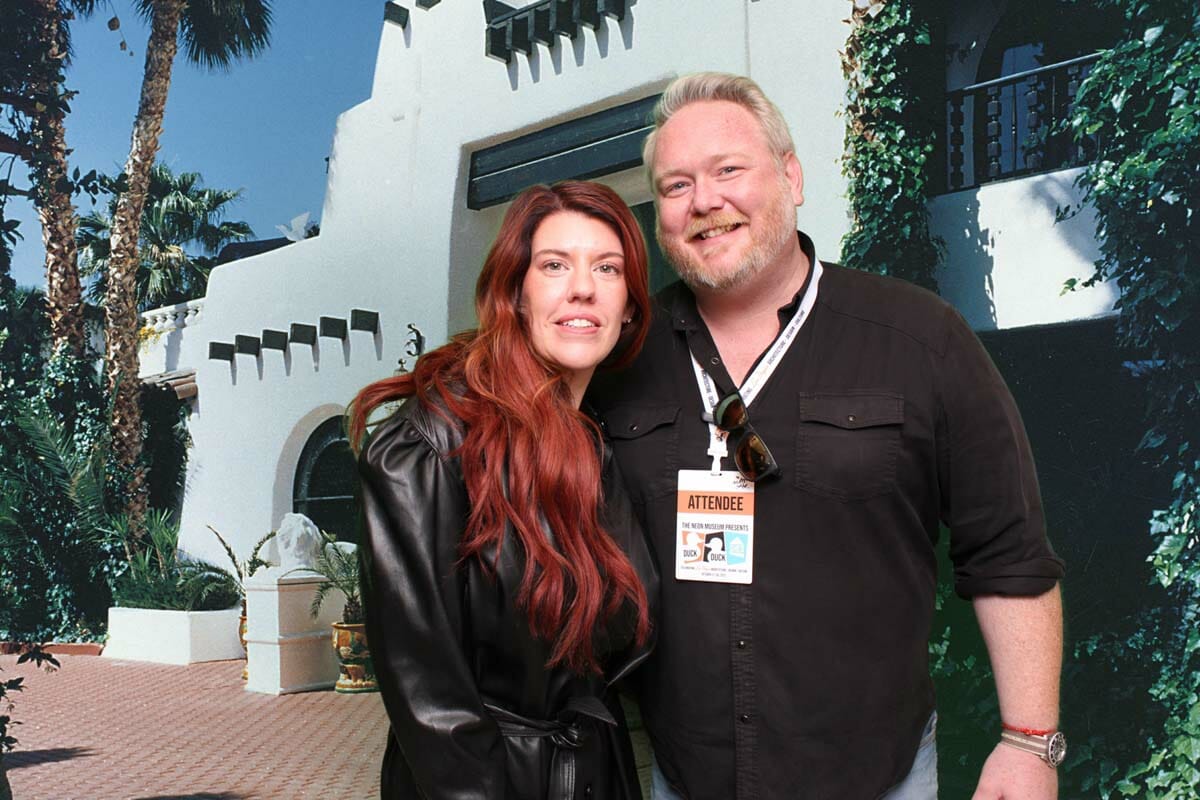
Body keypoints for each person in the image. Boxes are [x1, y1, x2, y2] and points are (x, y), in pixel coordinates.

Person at [588, 73, 1066, 799]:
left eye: (728, 170)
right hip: (686, 781)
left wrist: (1029, 744)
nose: (704, 201)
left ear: (792, 177)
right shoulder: (620, 363)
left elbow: (1008, 552)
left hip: (880, 779)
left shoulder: (921, 339)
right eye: (676, 185)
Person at [351, 181, 658, 799]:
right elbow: (432, 706)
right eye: (554, 266)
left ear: (629, 307)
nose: (583, 288)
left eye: (607, 268)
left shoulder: (595, 444)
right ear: (516, 293)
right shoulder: (431, 446)